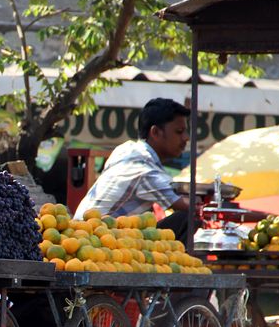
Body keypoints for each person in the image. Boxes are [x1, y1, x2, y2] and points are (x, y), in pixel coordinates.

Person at [75, 97, 196, 240]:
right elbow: (186, 205)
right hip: (94, 240)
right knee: (189, 218)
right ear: (155, 132)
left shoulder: (127, 149)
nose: (186, 138)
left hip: (88, 234)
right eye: (179, 131)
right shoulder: (142, 166)